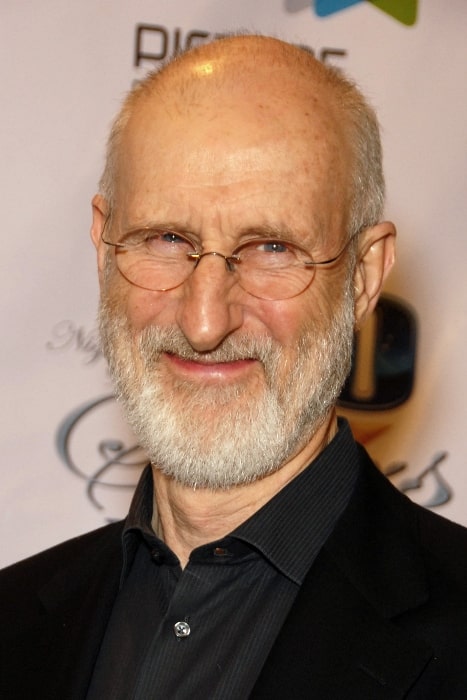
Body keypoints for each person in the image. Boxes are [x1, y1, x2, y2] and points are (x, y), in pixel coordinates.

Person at [2, 33, 467, 700]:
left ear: (363, 277)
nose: (203, 321)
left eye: (272, 248)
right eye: (166, 239)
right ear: (103, 248)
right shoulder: (14, 622)